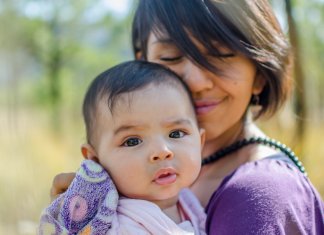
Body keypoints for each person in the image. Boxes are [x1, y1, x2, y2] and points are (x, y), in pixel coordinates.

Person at [51, 0, 324, 234]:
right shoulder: (147, 181)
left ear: (260, 75)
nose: (195, 82)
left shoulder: (259, 194)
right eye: (170, 57)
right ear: (141, 62)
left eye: (220, 55)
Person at [39, 61, 207, 234]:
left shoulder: (188, 202)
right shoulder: (118, 225)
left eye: (176, 134)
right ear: (95, 160)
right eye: (132, 141)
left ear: (200, 142)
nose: (162, 151)